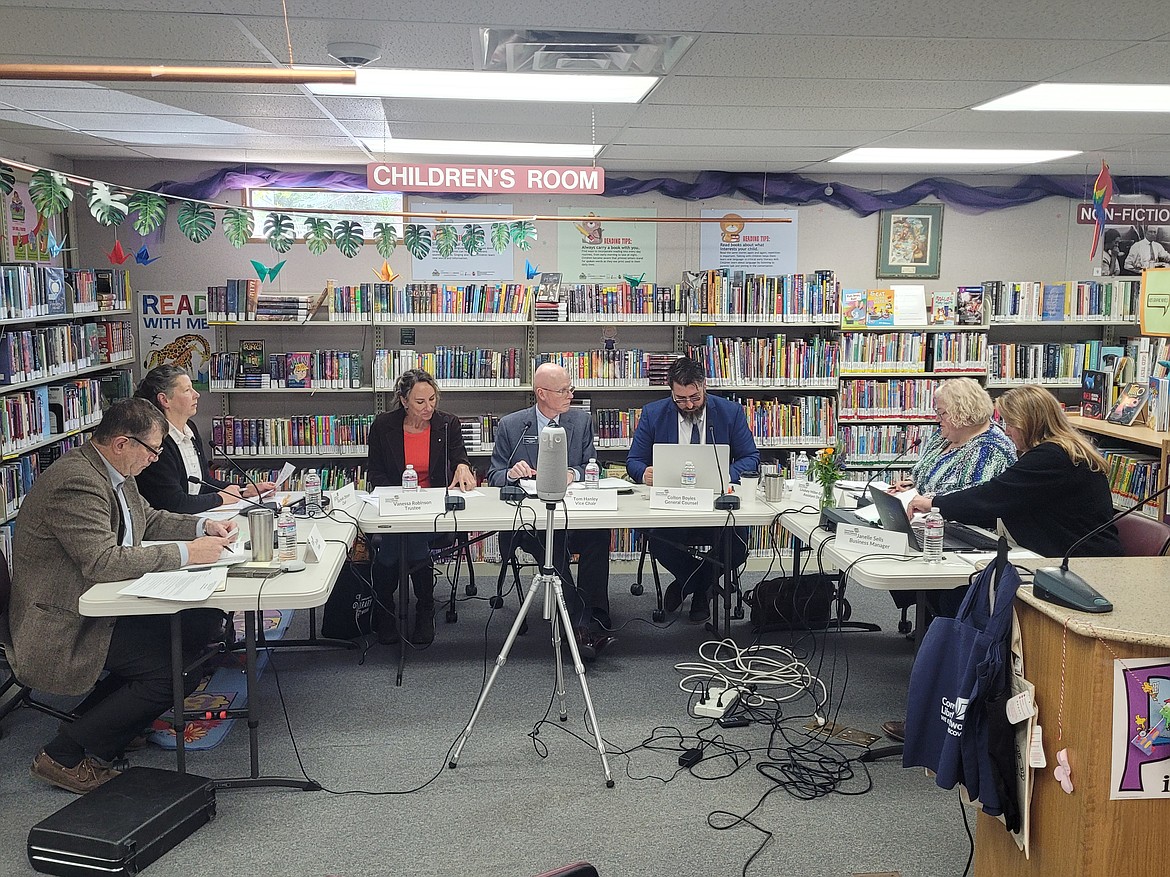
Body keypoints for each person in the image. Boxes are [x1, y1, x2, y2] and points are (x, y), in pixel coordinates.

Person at [6, 398, 239, 793]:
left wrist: (201, 527)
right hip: (63, 620)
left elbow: (147, 519)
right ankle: (64, 754)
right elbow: (102, 561)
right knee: (171, 670)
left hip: (103, 600)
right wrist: (187, 553)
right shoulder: (76, 482)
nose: (156, 459)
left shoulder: (114, 470)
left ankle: (106, 722)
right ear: (121, 443)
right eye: (152, 450)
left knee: (198, 627)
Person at [486, 362, 615, 660]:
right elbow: (494, 475)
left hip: (574, 513)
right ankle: (581, 627)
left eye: (570, 388)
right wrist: (512, 473)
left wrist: (574, 473)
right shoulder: (513, 425)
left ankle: (595, 612)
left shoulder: (580, 422)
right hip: (533, 521)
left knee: (598, 536)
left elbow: (590, 465)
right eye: (563, 390)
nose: (571, 394)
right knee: (552, 545)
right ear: (541, 394)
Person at [908, 385, 1122, 559]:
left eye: (1011, 423)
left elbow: (993, 495)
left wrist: (934, 504)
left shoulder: (1052, 457)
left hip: (1080, 562)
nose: (1007, 431)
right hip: (1062, 551)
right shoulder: (1058, 450)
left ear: (1030, 423)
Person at [625, 356, 760, 621]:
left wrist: (723, 474)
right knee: (659, 540)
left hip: (717, 504)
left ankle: (687, 584)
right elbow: (633, 462)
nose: (688, 405)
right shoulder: (654, 414)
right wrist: (644, 473)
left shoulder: (729, 412)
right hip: (673, 504)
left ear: (704, 386)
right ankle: (703, 588)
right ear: (671, 392)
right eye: (680, 399)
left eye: (694, 398)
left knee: (739, 545)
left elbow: (750, 457)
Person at [366, 369, 476, 646]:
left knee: (404, 540)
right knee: (405, 536)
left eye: (432, 399)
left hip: (433, 507)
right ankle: (422, 608)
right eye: (420, 402)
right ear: (403, 401)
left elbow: (459, 456)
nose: (429, 407)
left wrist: (463, 466)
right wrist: (399, 499)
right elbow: (375, 474)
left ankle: (388, 609)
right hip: (395, 504)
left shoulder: (447, 424)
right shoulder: (383, 425)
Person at [133, 365, 276, 514]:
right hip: (171, 525)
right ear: (164, 400)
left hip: (197, 515)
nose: (196, 395)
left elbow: (205, 483)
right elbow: (174, 502)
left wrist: (245, 489)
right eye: (187, 390)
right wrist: (219, 499)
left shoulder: (190, 428)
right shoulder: (156, 441)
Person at [889, 378, 1017, 498]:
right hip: (923, 516)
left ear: (963, 412)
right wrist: (911, 482)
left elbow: (973, 499)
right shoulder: (945, 435)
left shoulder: (992, 450)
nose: (937, 418)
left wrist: (920, 499)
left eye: (942, 413)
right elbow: (926, 468)